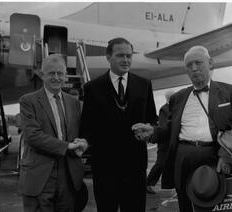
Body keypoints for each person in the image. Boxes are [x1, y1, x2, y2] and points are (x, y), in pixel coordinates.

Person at [132, 46, 232, 212]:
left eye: (198, 63)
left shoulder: (228, 92)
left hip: (215, 156)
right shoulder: (178, 97)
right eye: (189, 65)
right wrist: (153, 132)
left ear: (210, 63)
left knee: (216, 204)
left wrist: (228, 155)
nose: (194, 68)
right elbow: (171, 130)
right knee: (186, 203)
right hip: (183, 157)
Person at [79, 37, 157, 212]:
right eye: (120, 55)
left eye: (129, 56)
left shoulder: (144, 85)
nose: (126, 60)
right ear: (108, 57)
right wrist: (83, 141)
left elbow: (152, 119)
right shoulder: (92, 88)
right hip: (105, 167)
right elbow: (87, 126)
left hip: (135, 166)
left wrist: (150, 130)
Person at [18, 54, 88, 212]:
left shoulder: (74, 102)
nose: (56, 77)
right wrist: (68, 145)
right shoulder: (28, 101)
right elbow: (32, 136)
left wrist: (83, 142)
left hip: (68, 175)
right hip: (40, 175)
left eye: (60, 73)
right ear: (42, 75)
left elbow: (81, 132)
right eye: (51, 73)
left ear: (65, 76)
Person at [146, 90, 173, 194]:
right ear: (168, 98)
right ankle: (148, 183)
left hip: (171, 142)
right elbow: (163, 126)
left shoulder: (174, 107)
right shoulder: (164, 109)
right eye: (171, 97)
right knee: (160, 164)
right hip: (164, 143)